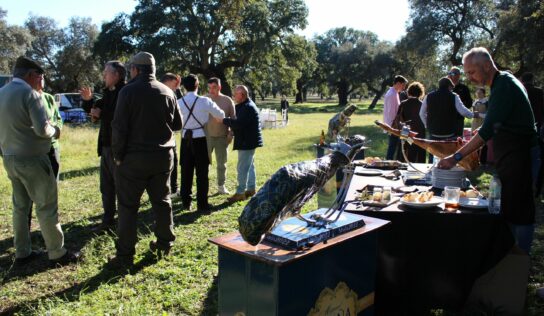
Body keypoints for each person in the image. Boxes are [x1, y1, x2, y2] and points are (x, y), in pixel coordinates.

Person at [437, 47, 538, 255]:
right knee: (509, 207)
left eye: (472, 72)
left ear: (486, 65)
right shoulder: (501, 83)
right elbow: (495, 126)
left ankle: (520, 260)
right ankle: (510, 257)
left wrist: (455, 157)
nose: (469, 78)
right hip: (510, 157)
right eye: (466, 74)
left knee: (520, 210)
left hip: (520, 155)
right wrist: (466, 140)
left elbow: (487, 130)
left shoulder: (505, 86)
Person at [0, 56, 80, 266]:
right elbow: (42, 129)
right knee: (46, 206)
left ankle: (22, 251)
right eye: (40, 76)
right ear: (31, 75)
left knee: (20, 206)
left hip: (9, 158)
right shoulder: (31, 94)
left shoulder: (2, 93)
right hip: (33, 159)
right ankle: (57, 252)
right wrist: (56, 130)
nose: (41, 80)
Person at [111, 52, 182, 265]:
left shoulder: (127, 92)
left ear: (135, 70)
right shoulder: (168, 91)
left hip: (133, 159)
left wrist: (117, 156)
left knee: (127, 207)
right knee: (162, 202)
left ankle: (125, 255)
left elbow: (119, 127)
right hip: (162, 158)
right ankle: (164, 244)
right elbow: (177, 124)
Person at [81, 61, 126, 232]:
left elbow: (121, 117)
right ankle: (108, 221)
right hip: (106, 147)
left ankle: (124, 222)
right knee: (106, 187)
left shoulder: (125, 92)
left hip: (119, 149)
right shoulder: (108, 93)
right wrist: (88, 102)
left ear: (116, 75)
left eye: (106, 72)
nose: (103, 75)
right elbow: (96, 109)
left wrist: (101, 113)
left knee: (121, 187)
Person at [178, 74, 225, 211]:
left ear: (184, 87)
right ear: (197, 85)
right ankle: (202, 204)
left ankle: (186, 202)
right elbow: (221, 115)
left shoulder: (179, 102)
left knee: (186, 172)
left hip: (185, 139)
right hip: (201, 139)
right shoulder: (204, 101)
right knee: (202, 173)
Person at [223, 85, 263, 203]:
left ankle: (240, 193)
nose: (234, 96)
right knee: (250, 166)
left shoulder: (247, 107)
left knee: (242, 168)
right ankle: (251, 189)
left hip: (247, 142)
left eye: (235, 94)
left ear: (242, 95)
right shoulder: (245, 105)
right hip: (249, 141)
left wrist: (223, 120)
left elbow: (238, 124)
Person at [206, 77, 235, 195]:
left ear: (219, 87)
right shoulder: (204, 99)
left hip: (222, 137)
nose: (211, 90)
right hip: (206, 136)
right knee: (204, 163)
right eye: (209, 88)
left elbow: (234, 119)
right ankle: (204, 185)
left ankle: (221, 186)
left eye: (214, 87)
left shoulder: (227, 100)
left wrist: (231, 134)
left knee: (221, 164)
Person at [521, 72, 544, 197]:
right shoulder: (539, 92)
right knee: (536, 158)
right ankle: (534, 185)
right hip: (537, 127)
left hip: (521, 129)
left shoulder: (520, 91)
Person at [161, 73, 183, 196]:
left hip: (170, 136)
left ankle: (174, 189)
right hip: (159, 136)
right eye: (175, 84)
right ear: (168, 81)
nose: (175, 87)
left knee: (173, 162)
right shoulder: (160, 92)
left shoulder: (171, 93)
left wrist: (178, 89)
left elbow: (180, 104)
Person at [395, 82, 426, 163]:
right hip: (419, 132)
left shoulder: (403, 103)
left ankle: (402, 167)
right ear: (420, 92)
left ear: (409, 92)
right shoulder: (423, 104)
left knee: (404, 151)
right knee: (418, 153)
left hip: (406, 130)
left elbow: (398, 119)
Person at [383, 75, 408, 160]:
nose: (404, 87)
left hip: (394, 124)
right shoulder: (392, 94)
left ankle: (390, 161)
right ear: (397, 83)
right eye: (403, 85)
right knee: (392, 147)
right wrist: (392, 127)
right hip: (393, 124)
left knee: (394, 146)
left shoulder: (394, 93)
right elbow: (391, 112)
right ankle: (388, 163)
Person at [448, 66, 473, 136]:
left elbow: (469, 103)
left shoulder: (464, 88)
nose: (451, 75)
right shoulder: (446, 88)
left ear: (459, 75)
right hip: (447, 119)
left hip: (459, 120)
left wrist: (460, 105)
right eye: (450, 73)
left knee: (457, 142)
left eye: (453, 73)